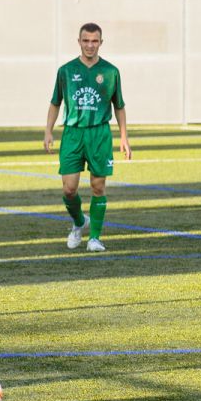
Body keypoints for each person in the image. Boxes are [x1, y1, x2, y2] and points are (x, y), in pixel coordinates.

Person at [43, 22, 132, 252]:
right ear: (79, 41)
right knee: (69, 189)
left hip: (99, 133)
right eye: (86, 40)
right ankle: (79, 222)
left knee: (98, 186)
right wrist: (48, 131)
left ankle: (94, 238)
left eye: (94, 41)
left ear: (101, 42)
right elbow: (55, 102)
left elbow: (119, 106)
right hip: (73, 133)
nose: (90, 45)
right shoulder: (66, 70)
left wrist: (124, 137)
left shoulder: (111, 72)